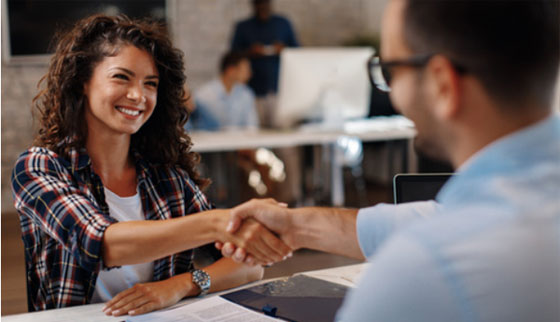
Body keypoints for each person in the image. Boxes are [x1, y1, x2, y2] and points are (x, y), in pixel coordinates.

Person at [219, 0, 560, 320]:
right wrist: (295, 226)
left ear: (442, 84)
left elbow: (434, 236)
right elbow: (432, 217)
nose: (393, 93)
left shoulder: (422, 271)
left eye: (391, 70)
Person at [11, 14, 291, 316]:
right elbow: (102, 244)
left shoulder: (167, 177)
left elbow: (250, 266)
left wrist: (182, 284)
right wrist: (218, 223)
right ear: (82, 82)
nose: (138, 95)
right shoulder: (39, 166)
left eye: (150, 84)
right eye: (122, 77)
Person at [231, 0, 298, 127]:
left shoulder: (283, 23)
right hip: (253, 90)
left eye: (265, 3)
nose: (262, 7)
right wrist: (250, 52)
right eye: (259, 4)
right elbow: (232, 56)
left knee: (284, 136)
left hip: (280, 88)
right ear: (253, 5)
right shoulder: (243, 27)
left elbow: (297, 52)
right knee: (257, 133)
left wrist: (284, 50)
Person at [189, 51, 259, 131]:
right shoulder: (203, 95)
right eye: (245, 70)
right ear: (231, 70)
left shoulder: (246, 94)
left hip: (239, 142)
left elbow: (252, 126)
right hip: (211, 141)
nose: (249, 74)